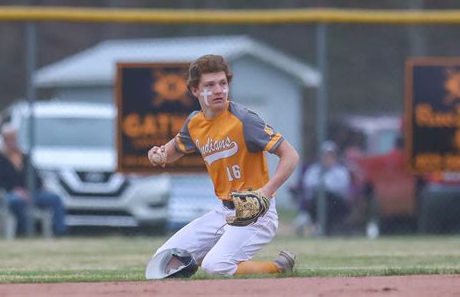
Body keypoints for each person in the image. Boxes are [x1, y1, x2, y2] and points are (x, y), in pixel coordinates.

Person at [147, 54, 300, 276]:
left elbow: (290, 155)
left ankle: (276, 268)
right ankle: (210, 257)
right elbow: (171, 152)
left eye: (223, 83)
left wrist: (266, 192)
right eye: (209, 85)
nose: (218, 90)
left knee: (215, 266)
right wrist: (158, 155)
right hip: (224, 211)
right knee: (163, 261)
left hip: (257, 212)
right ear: (194, 91)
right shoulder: (195, 123)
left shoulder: (244, 120)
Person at [0, 124, 67, 236]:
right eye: (9, 139)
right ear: (4, 140)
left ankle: (59, 231)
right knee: (16, 201)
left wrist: (40, 186)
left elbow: (36, 177)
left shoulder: (24, 157)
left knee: (55, 199)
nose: (12, 142)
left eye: (14, 138)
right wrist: (16, 190)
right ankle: (25, 231)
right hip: (12, 195)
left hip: (32, 193)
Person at [299, 140, 351, 235]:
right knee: (320, 197)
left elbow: (343, 188)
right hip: (316, 201)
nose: (328, 159)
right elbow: (308, 186)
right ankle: (318, 227)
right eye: (326, 156)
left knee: (329, 198)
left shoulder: (341, 171)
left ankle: (329, 228)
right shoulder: (313, 170)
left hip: (335, 203)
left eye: (331, 156)